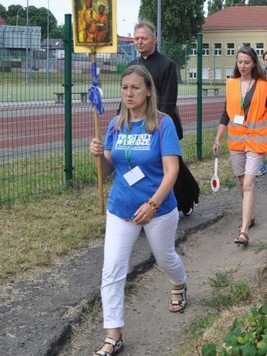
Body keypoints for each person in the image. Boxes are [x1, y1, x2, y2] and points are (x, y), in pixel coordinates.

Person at [88, 65, 187, 356]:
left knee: (165, 257)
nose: (128, 93)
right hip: (121, 208)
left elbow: (172, 170)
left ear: (147, 91)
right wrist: (97, 155)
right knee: (112, 271)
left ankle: (179, 283)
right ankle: (113, 335)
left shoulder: (162, 124)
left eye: (135, 88)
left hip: (158, 208)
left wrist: (153, 204)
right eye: (124, 88)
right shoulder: (115, 125)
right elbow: (109, 169)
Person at [213, 46, 267, 247]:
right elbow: (225, 114)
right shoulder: (231, 84)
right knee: (242, 182)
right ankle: (250, 216)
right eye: (240, 62)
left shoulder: (263, 85)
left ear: (254, 63)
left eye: (246, 62)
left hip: (255, 140)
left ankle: (244, 231)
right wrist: (218, 139)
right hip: (236, 141)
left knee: (248, 184)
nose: (243, 65)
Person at [129, 21, 199, 216]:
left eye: (143, 38)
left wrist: (154, 125)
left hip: (161, 125)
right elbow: (127, 98)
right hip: (136, 126)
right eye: (136, 39)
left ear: (154, 39)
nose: (139, 42)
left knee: (170, 167)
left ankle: (186, 199)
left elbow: (168, 101)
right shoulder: (132, 66)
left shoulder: (167, 65)